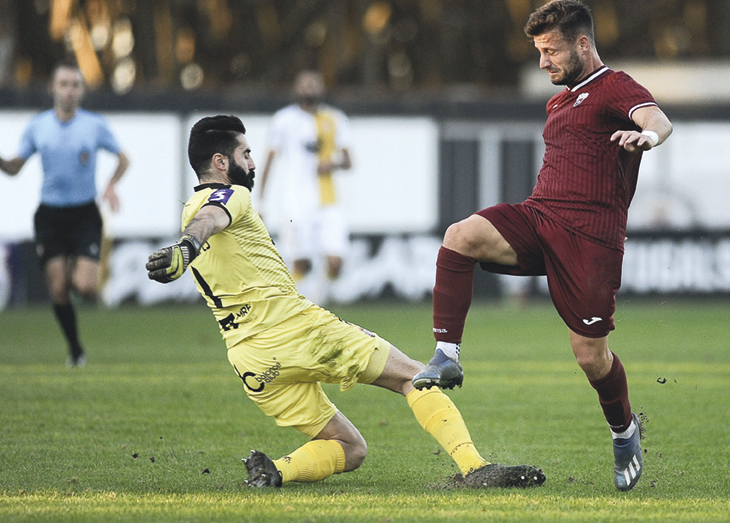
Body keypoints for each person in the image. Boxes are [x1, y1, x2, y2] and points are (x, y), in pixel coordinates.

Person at [145, 115, 544, 489]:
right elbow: (213, 217)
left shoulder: (188, 211)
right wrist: (187, 245)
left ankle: (275, 471)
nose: (251, 162)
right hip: (295, 330)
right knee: (414, 376)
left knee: (351, 449)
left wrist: (186, 245)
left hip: (249, 362)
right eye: (245, 154)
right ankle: (474, 467)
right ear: (220, 161)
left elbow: (204, 222)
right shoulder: (229, 197)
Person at [412, 0, 673, 492]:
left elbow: (658, 120)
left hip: (591, 239)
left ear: (582, 44)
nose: (543, 62)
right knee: (459, 236)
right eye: (538, 51)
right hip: (540, 217)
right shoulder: (557, 101)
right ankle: (446, 353)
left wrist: (648, 139)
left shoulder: (614, 86)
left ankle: (624, 432)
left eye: (550, 51)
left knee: (590, 357)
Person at [0, 60, 130, 367]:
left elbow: (123, 159)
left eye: (75, 85)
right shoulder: (37, 126)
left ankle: (75, 270)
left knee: (86, 287)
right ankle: (75, 350)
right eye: (64, 84)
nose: (69, 91)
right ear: (53, 88)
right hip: (50, 217)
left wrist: (110, 186)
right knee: (58, 290)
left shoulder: (94, 125)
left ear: (82, 91)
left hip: (85, 215)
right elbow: (16, 167)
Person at [258, 71, 352, 304]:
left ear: (322, 89)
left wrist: (333, 163)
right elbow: (268, 160)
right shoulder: (283, 120)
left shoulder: (335, 118)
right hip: (295, 202)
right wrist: (260, 201)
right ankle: (292, 308)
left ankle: (317, 297)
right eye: (305, 84)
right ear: (296, 89)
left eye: (314, 84)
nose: (309, 88)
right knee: (301, 262)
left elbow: (349, 160)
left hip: (328, 201)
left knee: (335, 263)